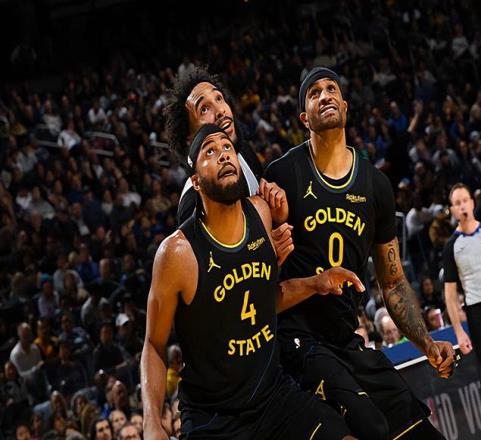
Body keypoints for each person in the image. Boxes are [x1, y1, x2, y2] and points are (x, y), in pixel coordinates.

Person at [264, 67, 456, 439]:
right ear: (304, 118)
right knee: (370, 423)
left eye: (331, 89)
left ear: (345, 106)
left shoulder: (376, 184)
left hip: (345, 337)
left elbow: (394, 281)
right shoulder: (282, 174)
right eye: (314, 93)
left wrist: (427, 342)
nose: (324, 95)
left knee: (417, 424)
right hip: (295, 339)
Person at [141, 124, 365, 439]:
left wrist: (317, 282)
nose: (223, 155)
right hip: (215, 418)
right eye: (210, 151)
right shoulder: (177, 254)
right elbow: (154, 343)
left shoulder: (260, 213)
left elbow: (264, 301)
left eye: (227, 147)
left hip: (274, 397)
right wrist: (152, 420)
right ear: (196, 181)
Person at [164, 66, 262, 225]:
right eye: (204, 109)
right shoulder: (192, 203)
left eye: (219, 98)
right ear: (190, 139)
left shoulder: (245, 151)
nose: (220, 111)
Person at [443, 182, 481, 438]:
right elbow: (450, 293)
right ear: (452, 210)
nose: (462, 206)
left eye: (465, 200)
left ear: (472, 202)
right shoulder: (452, 246)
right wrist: (458, 331)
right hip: (478, 313)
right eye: (457, 203)